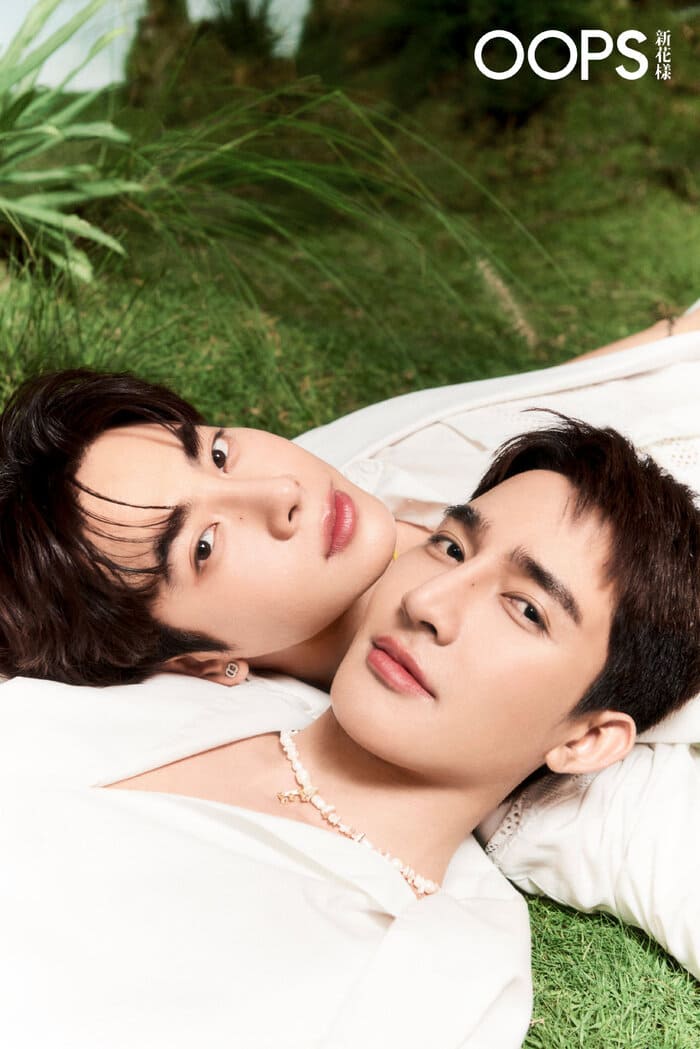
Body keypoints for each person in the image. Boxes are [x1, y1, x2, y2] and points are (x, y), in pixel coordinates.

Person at [1, 417, 698, 1049]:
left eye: (525, 609)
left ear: (584, 742)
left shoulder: (440, 972)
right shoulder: (180, 682)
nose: (427, 601)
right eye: (450, 548)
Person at [0, 308, 699, 690]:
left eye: (215, 453)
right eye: (204, 545)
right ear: (193, 662)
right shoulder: (500, 703)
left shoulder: (362, 456)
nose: (281, 491)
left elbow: (562, 389)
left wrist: (677, 328)